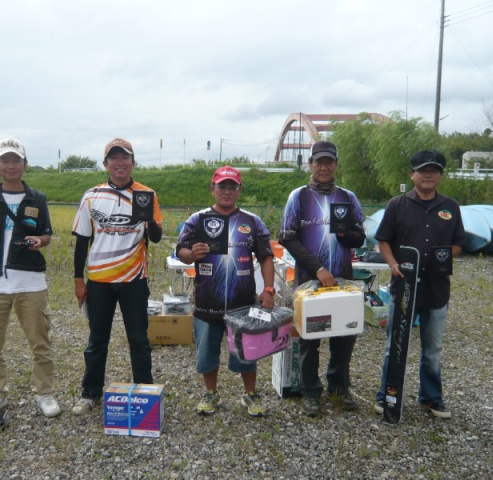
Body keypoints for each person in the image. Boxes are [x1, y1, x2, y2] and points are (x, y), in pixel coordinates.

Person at [0, 138, 61, 418]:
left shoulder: (37, 199)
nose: (11, 165)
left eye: (16, 160)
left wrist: (40, 241)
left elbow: (47, 235)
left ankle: (45, 393)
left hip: (30, 283)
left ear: (25, 165)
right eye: (5, 160)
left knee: (40, 343)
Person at [71, 138, 163, 415]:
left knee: (139, 338)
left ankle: (145, 391)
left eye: (125, 158)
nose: (120, 163)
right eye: (114, 158)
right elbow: (81, 242)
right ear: (106, 164)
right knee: (97, 339)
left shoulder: (147, 194)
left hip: (135, 280)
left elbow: (156, 238)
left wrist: (147, 218)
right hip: (99, 281)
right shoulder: (92, 196)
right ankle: (90, 393)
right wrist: (78, 280)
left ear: (133, 163)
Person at [176, 166, 276, 417]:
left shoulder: (253, 221)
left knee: (246, 352)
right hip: (207, 301)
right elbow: (181, 252)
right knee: (207, 353)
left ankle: (250, 394)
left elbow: (266, 257)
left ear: (239, 190)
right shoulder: (197, 219)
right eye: (222, 186)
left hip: (243, 302)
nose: (227, 191)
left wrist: (269, 289)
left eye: (233, 187)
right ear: (212, 189)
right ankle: (211, 394)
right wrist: (192, 254)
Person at [374, 150, 466, 419]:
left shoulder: (451, 207)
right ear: (412, 174)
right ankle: (387, 395)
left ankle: (431, 398)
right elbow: (383, 240)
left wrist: (445, 258)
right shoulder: (397, 204)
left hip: (437, 291)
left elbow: (459, 243)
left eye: (435, 170)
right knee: (394, 345)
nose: (428, 174)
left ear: (440, 176)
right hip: (404, 288)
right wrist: (392, 263)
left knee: (432, 350)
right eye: (423, 170)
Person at [279, 141, 366, 417]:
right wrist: (317, 268)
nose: (324, 167)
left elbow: (360, 237)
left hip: (342, 281)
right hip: (310, 281)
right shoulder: (298, 197)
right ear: (311, 165)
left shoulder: (348, 197)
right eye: (319, 162)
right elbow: (287, 237)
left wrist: (344, 235)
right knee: (310, 338)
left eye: (329, 162)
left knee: (344, 334)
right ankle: (310, 392)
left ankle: (339, 387)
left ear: (336, 165)